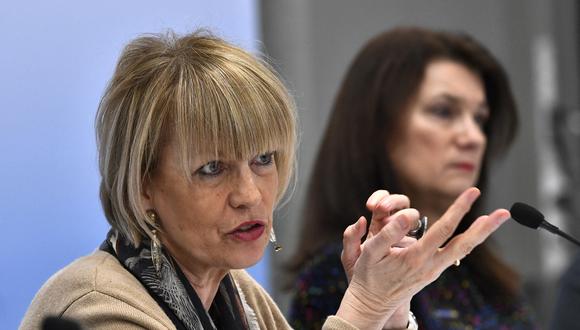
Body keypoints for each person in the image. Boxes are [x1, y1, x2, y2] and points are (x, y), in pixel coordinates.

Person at [20, 30, 510, 330]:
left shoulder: (241, 297)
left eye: (262, 159)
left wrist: (392, 309)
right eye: (212, 168)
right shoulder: (95, 308)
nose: (251, 195)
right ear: (143, 184)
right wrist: (363, 305)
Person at [288, 27, 538, 329]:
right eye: (444, 111)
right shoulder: (345, 274)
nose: (473, 137)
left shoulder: (482, 269)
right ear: (378, 127)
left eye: (480, 119)